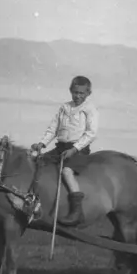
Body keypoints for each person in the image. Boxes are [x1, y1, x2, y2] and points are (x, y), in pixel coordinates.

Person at [29, 75, 98, 226]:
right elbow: (53, 128)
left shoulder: (89, 109)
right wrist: (42, 143)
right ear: (70, 91)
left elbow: (91, 133)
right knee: (37, 162)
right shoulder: (64, 107)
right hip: (60, 147)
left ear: (88, 93)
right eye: (75, 92)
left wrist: (75, 149)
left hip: (79, 149)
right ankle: (34, 201)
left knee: (66, 171)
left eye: (81, 93)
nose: (78, 96)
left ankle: (77, 211)